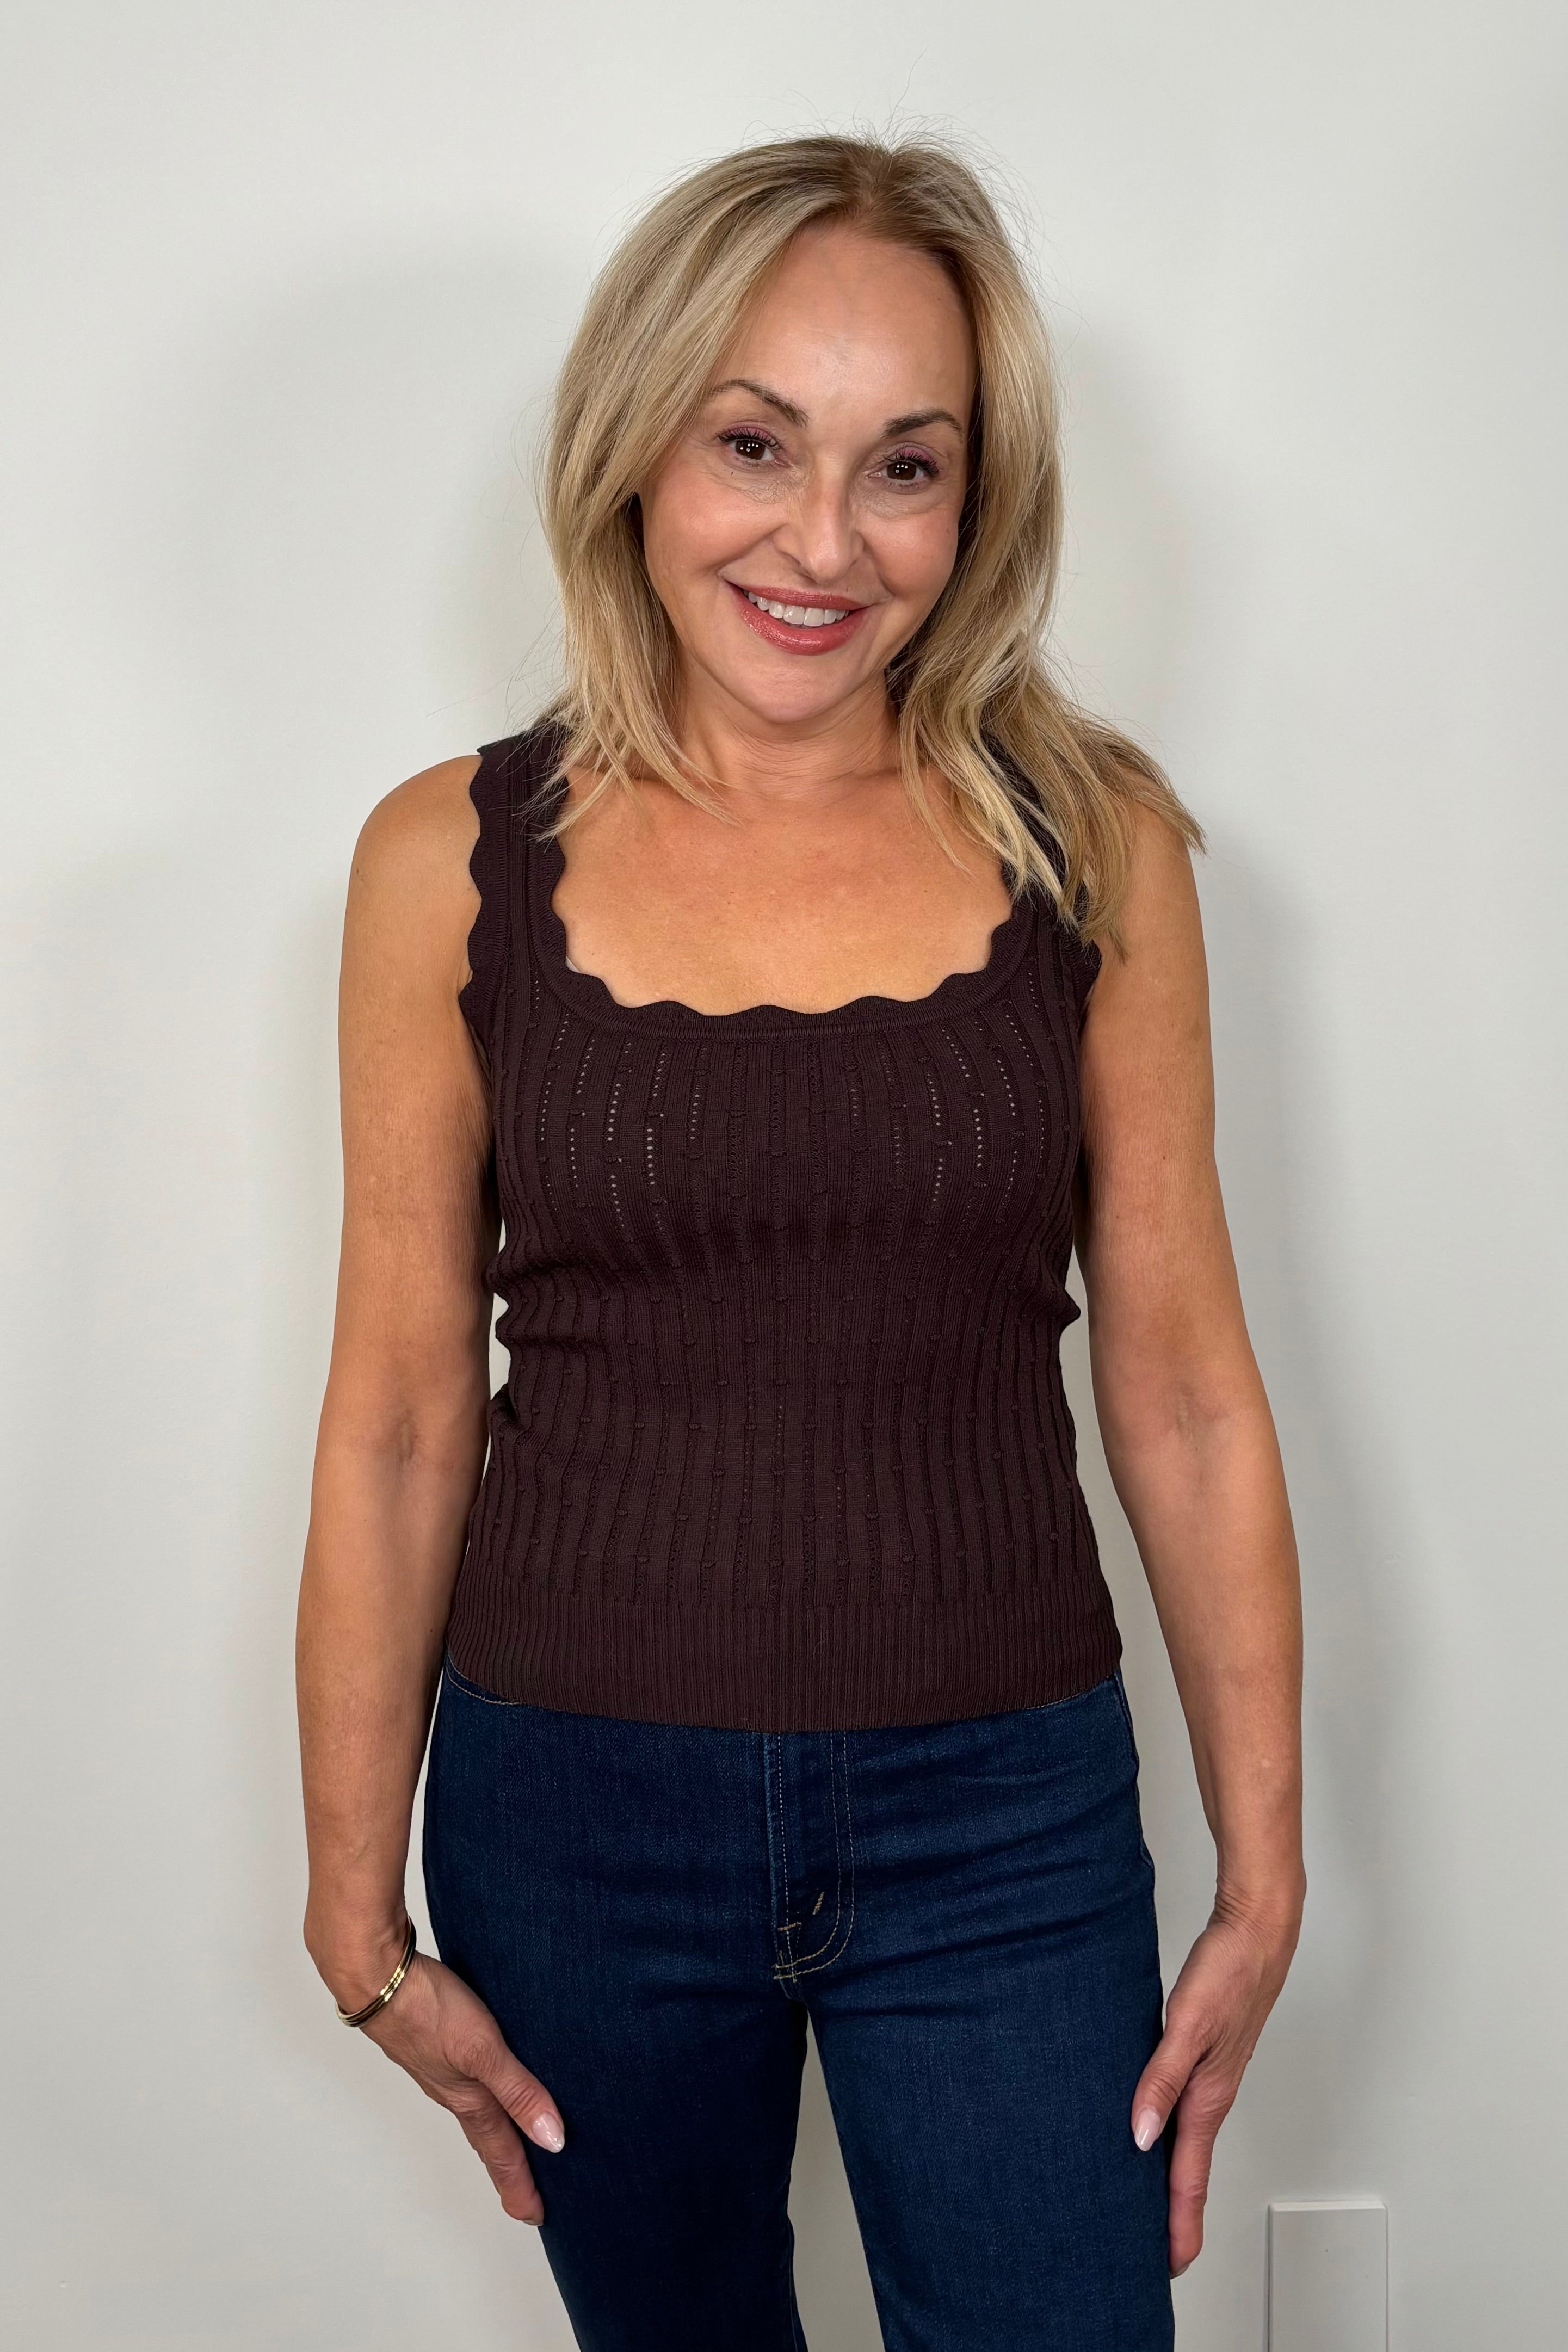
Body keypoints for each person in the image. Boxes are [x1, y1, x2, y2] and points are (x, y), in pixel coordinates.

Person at [295, 132, 1305, 2352]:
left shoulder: (1093, 845)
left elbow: (1186, 1383)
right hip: (576, 1813)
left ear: (977, 507)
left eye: (905, 468)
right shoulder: (441, 866)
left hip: (1008, 1823)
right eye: (755, 443)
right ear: (640, 447)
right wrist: (352, 1906)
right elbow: (390, 1416)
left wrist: (1264, 1859)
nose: (824, 541)